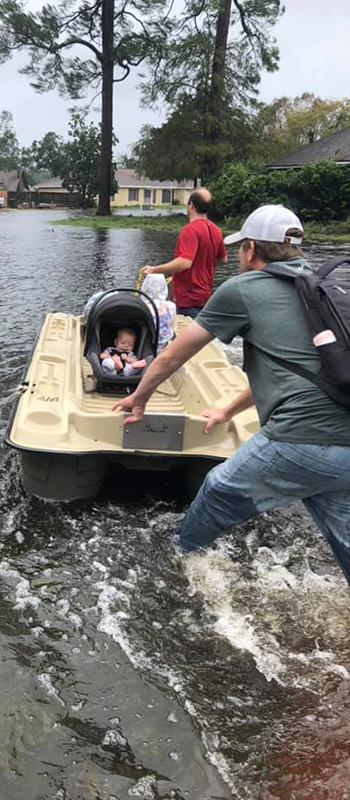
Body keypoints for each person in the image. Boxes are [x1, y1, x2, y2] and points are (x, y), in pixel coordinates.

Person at [113, 204, 350, 584]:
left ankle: (180, 569)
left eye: (241, 248)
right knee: (340, 528)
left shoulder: (243, 289)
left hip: (299, 439)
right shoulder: (323, 290)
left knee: (218, 488)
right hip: (344, 448)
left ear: (252, 249)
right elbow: (302, 371)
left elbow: (174, 352)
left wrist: (139, 398)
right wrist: (226, 410)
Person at [143, 188, 227, 319]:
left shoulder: (190, 230)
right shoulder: (216, 230)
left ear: (191, 205)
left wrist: (155, 269)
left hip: (187, 299)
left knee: (184, 336)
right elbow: (223, 258)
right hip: (205, 297)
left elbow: (185, 262)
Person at [140, 273, 177, 352]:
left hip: (146, 346)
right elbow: (173, 328)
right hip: (163, 345)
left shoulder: (141, 305)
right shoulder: (170, 306)